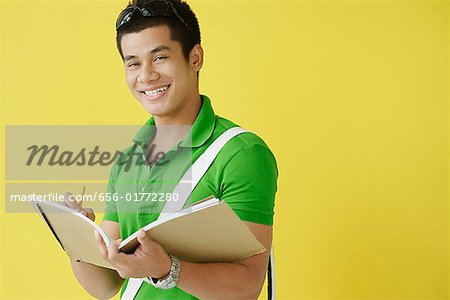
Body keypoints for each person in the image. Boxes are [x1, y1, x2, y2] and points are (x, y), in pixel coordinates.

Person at [64, 0, 278, 299]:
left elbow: (246, 287)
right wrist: (77, 239)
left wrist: (166, 269)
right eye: (133, 62)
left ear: (195, 57)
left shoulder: (240, 154)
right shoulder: (127, 161)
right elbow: (106, 285)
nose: (146, 75)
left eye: (160, 57)